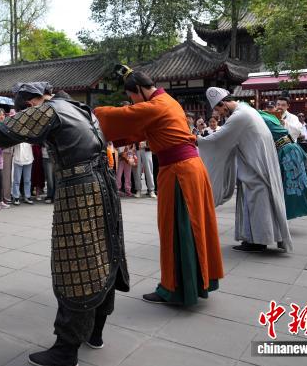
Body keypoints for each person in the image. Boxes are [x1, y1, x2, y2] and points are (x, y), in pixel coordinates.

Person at [0, 81, 128, 366]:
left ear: (31, 102)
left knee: (76, 265)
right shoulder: (81, 108)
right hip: (104, 185)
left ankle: (66, 349)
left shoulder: (48, 110)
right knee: (103, 255)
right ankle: (95, 333)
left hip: (80, 191)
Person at [94, 68, 222, 306]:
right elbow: (137, 129)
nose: (133, 101)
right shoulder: (167, 102)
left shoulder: (157, 105)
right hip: (188, 169)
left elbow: (123, 116)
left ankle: (175, 288)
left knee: (176, 228)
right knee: (191, 226)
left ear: (139, 90)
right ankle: (194, 282)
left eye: (132, 96)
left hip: (179, 172)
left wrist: (89, 114)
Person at [197, 87, 292, 253]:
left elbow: (218, 139)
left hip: (255, 168)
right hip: (257, 164)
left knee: (257, 203)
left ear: (224, 103)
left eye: (219, 109)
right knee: (257, 202)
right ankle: (258, 238)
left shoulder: (239, 116)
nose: (220, 114)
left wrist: (196, 140)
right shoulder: (246, 109)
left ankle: (258, 241)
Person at [258, 108, 307, 219]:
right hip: (285, 149)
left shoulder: (262, 117)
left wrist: (285, 124)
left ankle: (287, 213)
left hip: (288, 150)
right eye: (277, 104)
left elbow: (298, 131)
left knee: (292, 184)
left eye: (282, 104)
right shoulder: (265, 117)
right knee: (288, 184)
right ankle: (284, 214)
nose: (279, 107)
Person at [297, 113, 307, 182]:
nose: (301, 117)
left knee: (303, 160)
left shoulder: (306, 125)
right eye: (299, 116)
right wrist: (299, 137)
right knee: (302, 160)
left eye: (302, 116)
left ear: (304, 117)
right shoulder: (296, 125)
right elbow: (292, 135)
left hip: (305, 144)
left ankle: (304, 176)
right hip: (299, 144)